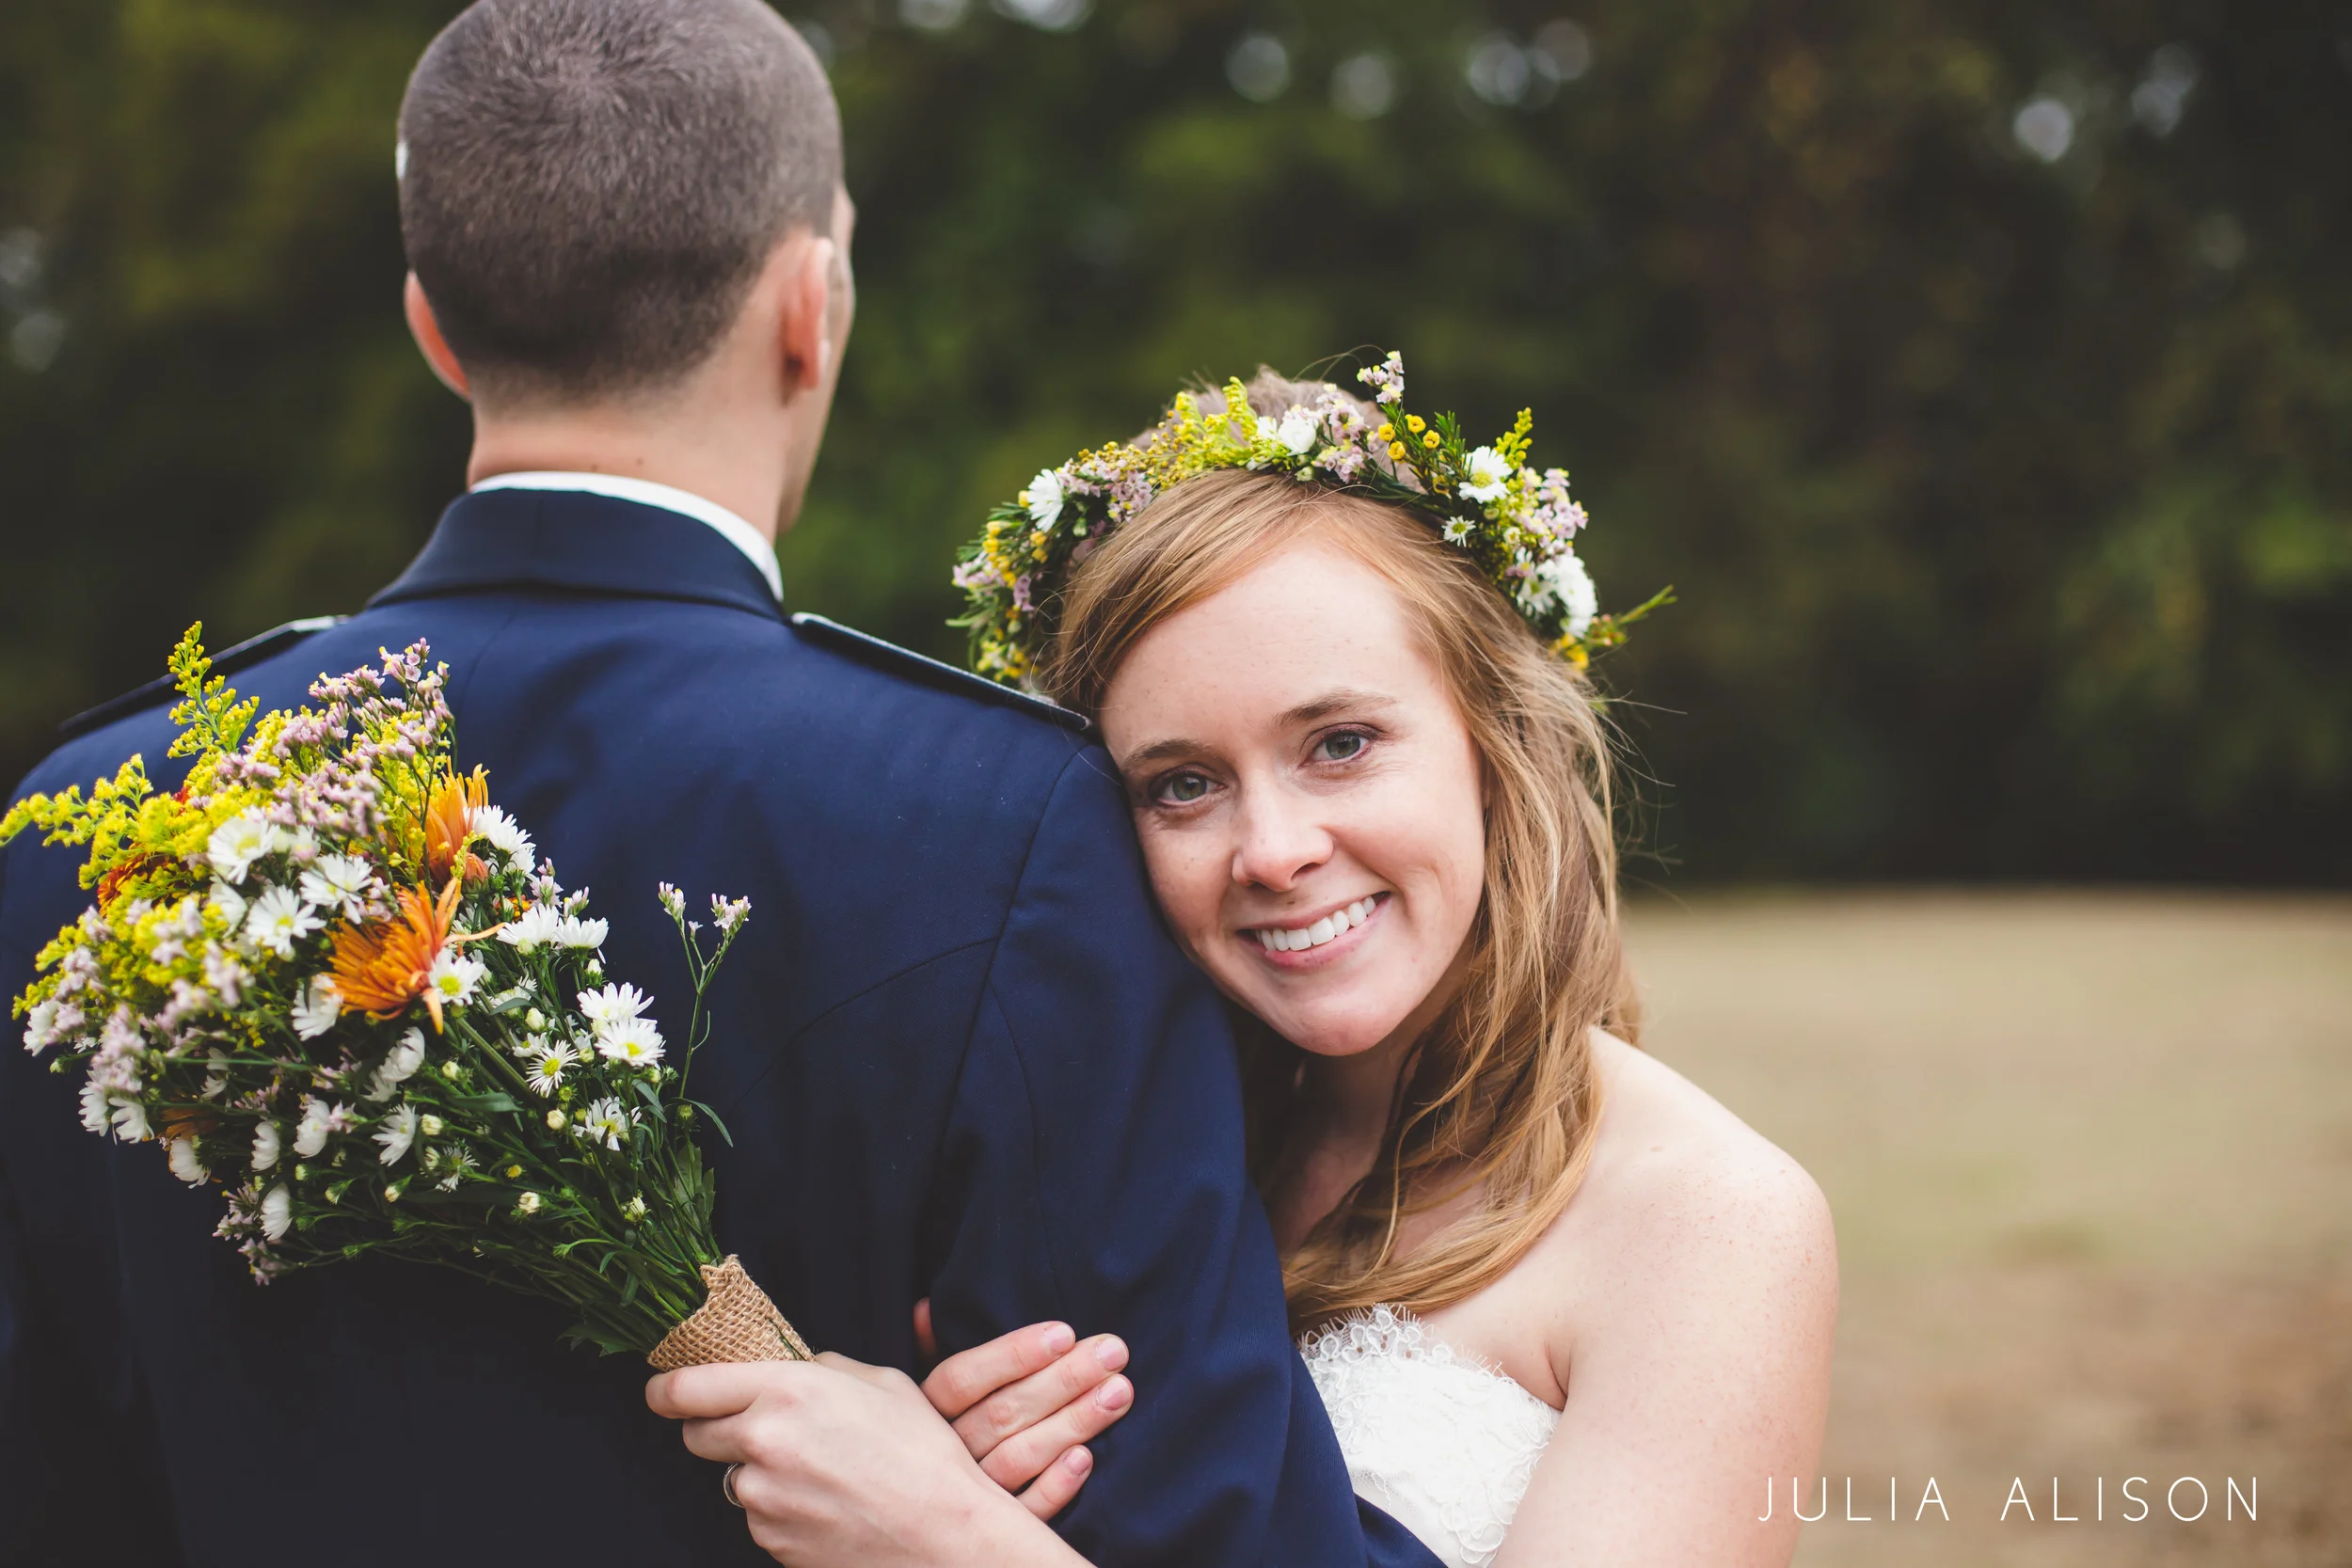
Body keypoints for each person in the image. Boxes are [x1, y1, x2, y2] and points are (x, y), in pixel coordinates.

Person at [0, 6, 1438, 1566]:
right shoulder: (1011, 827)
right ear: (810, 308)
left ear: (432, 325)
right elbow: (1226, 1532)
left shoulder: (83, 841)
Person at [649, 372, 1841, 1567]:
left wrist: (950, 1539)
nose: (1271, 852)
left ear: (1492, 744)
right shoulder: (1108, 1152)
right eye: (1182, 783)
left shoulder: (1711, 1224)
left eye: (1340, 744)